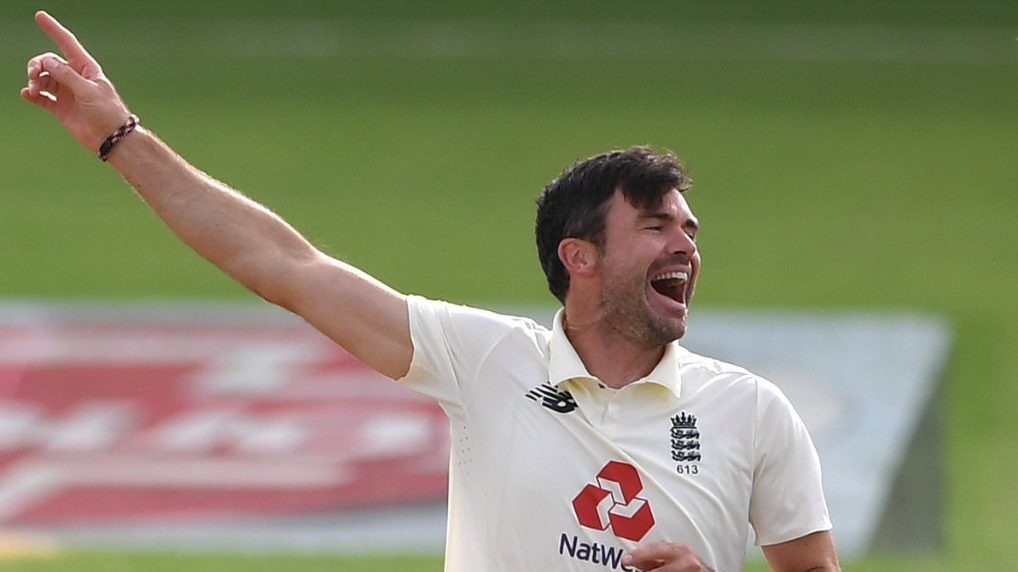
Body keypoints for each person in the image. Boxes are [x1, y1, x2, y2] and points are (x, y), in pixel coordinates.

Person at [22, 11, 840, 572]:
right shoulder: (483, 361)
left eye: (689, 229)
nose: (686, 244)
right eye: (657, 226)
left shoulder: (753, 412)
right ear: (580, 257)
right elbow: (285, 265)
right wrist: (118, 137)